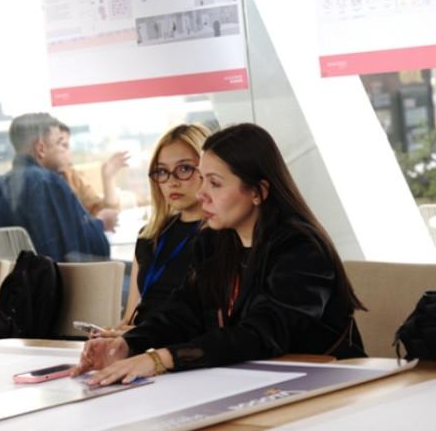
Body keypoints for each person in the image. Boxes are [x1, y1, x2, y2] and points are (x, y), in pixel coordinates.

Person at [74, 123, 365, 385]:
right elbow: (184, 312)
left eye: (214, 183)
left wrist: (160, 359)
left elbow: (260, 335)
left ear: (258, 191)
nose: (202, 194)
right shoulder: (214, 242)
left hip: (324, 386)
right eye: (201, 180)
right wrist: (127, 344)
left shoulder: (301, 249)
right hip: (247, 382)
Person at [0, 113, 110, 262]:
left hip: (2, 284)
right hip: (52, 283)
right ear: (40, 148)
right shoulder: (50, 185)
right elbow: (90, 250)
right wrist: (99, 223)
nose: (64, 151)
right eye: (60, 143)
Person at [116, 124, 210, 329]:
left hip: (180, 347)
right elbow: (130, 317)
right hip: (138, 344)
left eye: (184, 168)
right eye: (162, 172)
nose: (171, 182)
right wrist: (112, 334)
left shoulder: (222, 234)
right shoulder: (150, 235)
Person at [55, 122, 128, 221]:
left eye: (67, 146)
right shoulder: (42, 184)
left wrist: (108, 178)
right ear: (41, 149)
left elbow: (107, 216)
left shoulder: (72, 177)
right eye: (64, 145)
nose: (68, 153)